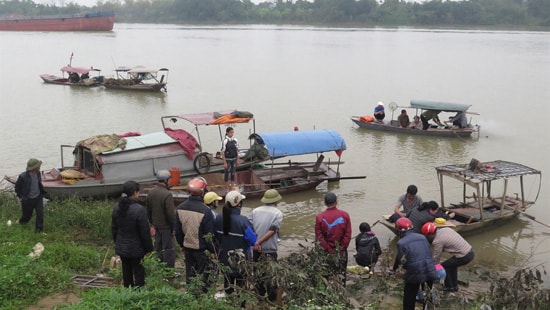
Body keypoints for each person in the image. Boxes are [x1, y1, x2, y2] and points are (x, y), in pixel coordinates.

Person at [174, 177, 216, 293]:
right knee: (203, 276)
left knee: (190, 275)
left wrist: (182, 244)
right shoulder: (205, 210)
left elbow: (178, 231)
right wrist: (213, 250)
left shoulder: (180, 208)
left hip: (187, 247)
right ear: (202, 192)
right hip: (201, 249)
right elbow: (209, 234)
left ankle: (191, 296)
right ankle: (202, 297)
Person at [111, 181, 153, 288]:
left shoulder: (117, 208)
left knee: (126, 271)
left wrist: (118, 243)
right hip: (137, 248)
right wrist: (149, 248)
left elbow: (114, 229)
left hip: (122, 247)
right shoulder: (139, 210)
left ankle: (127, 293)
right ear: (135, 193)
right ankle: (138, 294)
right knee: (139, 272)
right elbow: (144, 232)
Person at [390, 218, 438, 310]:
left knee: (409, 296)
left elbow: (400, 259)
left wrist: (395, 269)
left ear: (399, 231)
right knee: (428, 294)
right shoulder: (423, 237)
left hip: (415, 271)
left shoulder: (401, 242)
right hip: (430, 268)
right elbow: (428, 253)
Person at [214, 190, 256, 295]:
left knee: (228, 282)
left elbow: (215, 237)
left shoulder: (218, 218)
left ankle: (229, 303)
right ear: (239, 204)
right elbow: (252, 240)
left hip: (224, 258)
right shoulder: (243, 221)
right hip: (241, 260)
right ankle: (240, 305)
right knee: (241, 285)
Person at [250, 189, 284, 302]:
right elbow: (272, 230)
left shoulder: (255, 211)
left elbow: (249, 227)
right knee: (271, 277)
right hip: (269, 250)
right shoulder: (277, 213)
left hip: (256, 249)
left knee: (258, 275)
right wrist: (259, 242)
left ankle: (260, 299)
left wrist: (254, 242)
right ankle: (271, 301)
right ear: (276, 201)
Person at [422, 222, 474, 292]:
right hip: (469, 252)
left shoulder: (437, 241)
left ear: (430, 234)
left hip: (464, 256)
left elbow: (436, 259)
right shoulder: (445, 229)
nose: (426, 238)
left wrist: (429, 270)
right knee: (452, 266)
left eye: (426, 236)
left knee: (444, 266)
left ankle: (449, 287)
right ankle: (454, 286)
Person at [315, 192, 352, 285]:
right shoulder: (345, 215)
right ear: (337, 202)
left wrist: (328, 249)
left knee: (325, 273)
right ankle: (341, 290)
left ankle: (327, 293)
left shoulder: (320, 217)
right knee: (341, 273)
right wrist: (341, 249)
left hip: (325, 252)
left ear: (324, 203)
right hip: (341, 251)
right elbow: (348, 235)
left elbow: (319, 237)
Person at [146, 170, 176, 269]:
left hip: (156, 225)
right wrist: (173, 227)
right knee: (169, 250)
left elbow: (148, 210)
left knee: (158, 248)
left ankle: (158, 269)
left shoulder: (151, 192)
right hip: (166, 227)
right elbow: (170, 214)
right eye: (170, 179)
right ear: (166, 180)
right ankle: (168, 271)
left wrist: (152, 224)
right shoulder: (167, 194)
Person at [15, 158, 47, 233]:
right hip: (28, 199)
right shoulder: (23, 177)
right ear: (34, 167)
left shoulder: (38, 173)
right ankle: (20, 222)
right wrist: (20, 197)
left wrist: (42, 192)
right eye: (38, 166)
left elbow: (38, 183)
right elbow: (17, 188)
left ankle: (38, 231)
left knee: (40, 214)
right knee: (26, 217)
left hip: (38, 197)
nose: (40, 167)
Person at [221, 127, 239, 192]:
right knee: (227, 173)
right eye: (231, 132)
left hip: (234, 159)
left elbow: (237, 150)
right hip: (228, 159)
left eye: (233, 132)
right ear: (227, 133)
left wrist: (238, 159)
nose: (232, 133)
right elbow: (222, 152)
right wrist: (224, 162)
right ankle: (227, 187)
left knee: (233, 173)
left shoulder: (235, 140)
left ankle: (232, 187)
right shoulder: (225, 141)